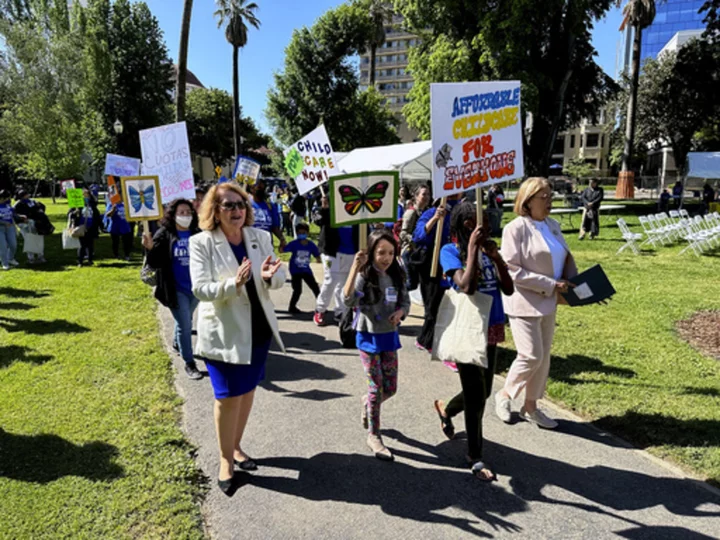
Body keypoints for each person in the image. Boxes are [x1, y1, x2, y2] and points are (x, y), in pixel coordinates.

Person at [189, 183, 285, 495]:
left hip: (258, 330)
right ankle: (225, 460)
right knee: (227, 396)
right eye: (228, 205)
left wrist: (271, 277)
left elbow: (277, 275)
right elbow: (201, 289)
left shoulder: (259, 237)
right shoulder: (200, 243)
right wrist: (234, 283)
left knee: (246, 392)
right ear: (214, 211)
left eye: (240, 204)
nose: (236, 210)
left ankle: (237, 446)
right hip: (224, 333)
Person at [433, 203, 514, 481]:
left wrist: (496, 257)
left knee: (486, 390)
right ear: (469, 225)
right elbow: (465, 286)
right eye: (484, 222)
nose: (490, 225)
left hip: (490, 326)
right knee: (476, 397)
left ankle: (448, 409)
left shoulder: (488, 251)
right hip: (468, 329)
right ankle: (475, 456)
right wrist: (471, 250)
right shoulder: (450, 251)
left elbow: (508, 288)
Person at [495, 177, 578, 429]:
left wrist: (577, 286)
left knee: (543, 359)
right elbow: (510, 270)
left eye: (550, 196)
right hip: (523, 300)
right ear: (528, 200)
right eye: (544, 197)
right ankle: (505, 395)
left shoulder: (552, 225)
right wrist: (550, 284)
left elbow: (562, 258)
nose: (549, 201)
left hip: (550, 300)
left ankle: (531, 406)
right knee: (531, 355)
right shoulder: (515, 228)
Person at [343, 229, 410, 461]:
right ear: (371, 253)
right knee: (375, 388)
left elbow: (405, 301)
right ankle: (374, 435)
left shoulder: (397, 273)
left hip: (389, 337)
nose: (386, 257)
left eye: (391, 252)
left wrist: (401, 312)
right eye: (381, 252)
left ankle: (368, 403)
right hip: (368, 338)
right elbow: (347, 299)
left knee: (389, 388)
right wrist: (354, 268)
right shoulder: (364, 275)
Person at [142, 199, 203, 380]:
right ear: (173, 215)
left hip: (196, 288)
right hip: (175, 288)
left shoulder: (197, 233)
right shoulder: (164, 234)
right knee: (186, 325)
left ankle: (177, 343)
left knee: (185, 319)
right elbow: (155, 262)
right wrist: (150, 249)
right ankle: (189, 363)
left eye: (188, 212)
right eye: (181, 212)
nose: (185, 216)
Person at [412, 194, 462, 353]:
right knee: (433, 306)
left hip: (453, 264)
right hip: (431, 266)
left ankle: (430, 339)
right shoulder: (430, 212)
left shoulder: (461, 212)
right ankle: (429, 341)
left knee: (449, 305)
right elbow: (418, 236)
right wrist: (434, 219)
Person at [314, 194, 358, 326]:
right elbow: (318, 220)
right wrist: (325, 208)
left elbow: (364, 229)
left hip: (351, 252)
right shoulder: (330, 203)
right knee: (331, 280)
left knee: (345, 283)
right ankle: (320, 309)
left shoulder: (357, 207)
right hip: (332, 251)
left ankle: (340, 311)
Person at [282, 222, 321, 314]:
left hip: (306, 270)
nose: (301, 235)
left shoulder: (311, 245)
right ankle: (292, 307)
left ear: (307, 233)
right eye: (299, 233)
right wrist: (282, 243)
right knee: (297, 290)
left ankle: (321, 306)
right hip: (295, 270)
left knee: (315, 288)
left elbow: (317, 254)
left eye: (303, 233)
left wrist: (318, 259)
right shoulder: (294, 244)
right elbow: (282, 250)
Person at [399, 185, 431, 290]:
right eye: (423, 194)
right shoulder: (411, 212)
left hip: (421, 253)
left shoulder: (427, 212)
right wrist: (414, 240)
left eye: (428, 194)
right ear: (416, 197)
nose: (426, 197)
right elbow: (403, 233)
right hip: (410, 252)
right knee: (412, 283)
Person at [13, 190, 50, 264]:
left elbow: (41, 208)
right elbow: (14, 215)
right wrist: (22, 219)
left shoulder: (32, 202)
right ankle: (31, 258)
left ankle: (40, 257)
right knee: (29, 240)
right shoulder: (17, 205)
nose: (28, 196)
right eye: (26, 195)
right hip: (24, 225)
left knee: (38, 239)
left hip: (36, 224)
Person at [68, 189, 101, 267]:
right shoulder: (77, 206)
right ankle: (80, 261)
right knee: (82, 245)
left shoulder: (92, 205)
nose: (85, 196)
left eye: (87, 195)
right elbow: (70, 215)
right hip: (81, 227)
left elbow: (97, 215)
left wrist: (99, 225)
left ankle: (90, 260)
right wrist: (74, 213)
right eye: (84, 195)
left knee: (90, 244)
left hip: (91, 227)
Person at [250, 180, 286, 250]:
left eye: (261, 187)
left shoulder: (270, 206)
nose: (259, 188)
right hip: (251, 246)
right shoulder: (246, 206)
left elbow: (275, 227)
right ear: (251, 189)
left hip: (267, 246)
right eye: (257, 187)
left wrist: (282, 239)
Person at [0, 189, 21, 270]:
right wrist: (3, 222)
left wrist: (20, 217)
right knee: (3, 246)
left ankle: (11, 258)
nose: (8, 199)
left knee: (13, 245)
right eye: (7, 198)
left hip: (10, 227)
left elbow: (13, 214)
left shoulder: (8, 205)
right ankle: (4, 263)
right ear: (2, 198)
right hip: (0, 228)